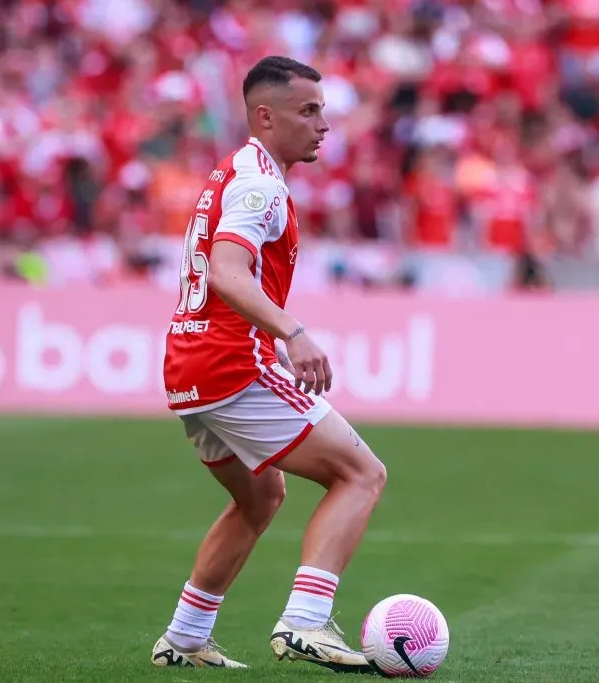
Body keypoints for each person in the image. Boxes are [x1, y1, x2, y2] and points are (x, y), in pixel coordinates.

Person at [151, 56, 387, 673]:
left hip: (187, 366)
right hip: (234, 364)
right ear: (265, 115)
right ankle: (306, 623)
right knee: (361, 474)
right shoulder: (260, 184)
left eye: (322, 111)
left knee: (260, 499)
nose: (322, 125)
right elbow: (229, 273)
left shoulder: (234, 172)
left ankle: (184, 636)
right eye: (308, 111)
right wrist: (294, 332)